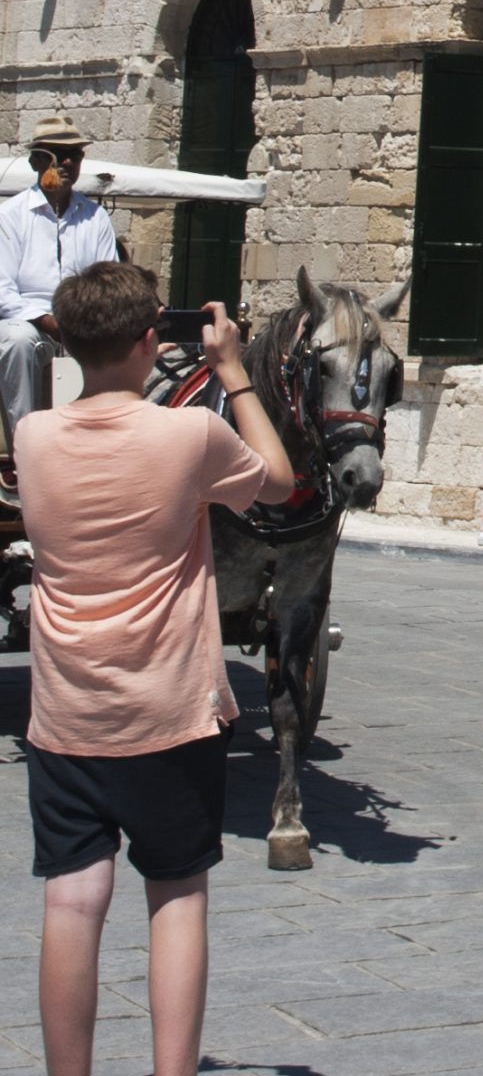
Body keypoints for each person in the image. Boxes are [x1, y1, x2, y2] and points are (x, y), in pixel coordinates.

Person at [16, 260, 296, 1076]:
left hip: (67, 712)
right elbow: (277, 483)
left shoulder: (32, 438)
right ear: (150, 341)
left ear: (63, 339)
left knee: (71, 899)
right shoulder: (190, 435)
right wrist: (233, 371)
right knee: (175, 894)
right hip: (168, 710)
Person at [0, 120, 120, 468]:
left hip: (81, 321)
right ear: (37, 161)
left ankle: (102, 455)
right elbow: (4, 292)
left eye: (75, 155)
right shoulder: (10, 216)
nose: (68, 163)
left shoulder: (94, 217)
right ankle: (27, 454)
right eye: (60, 155)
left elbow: (106, 279)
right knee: (17, 341)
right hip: (29, 319)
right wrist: (49, 321)